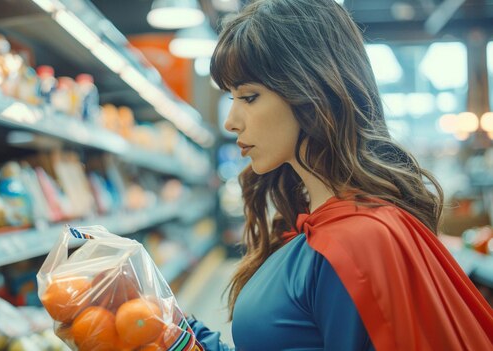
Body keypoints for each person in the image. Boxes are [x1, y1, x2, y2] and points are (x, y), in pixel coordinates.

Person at [187, 0, 493, 350]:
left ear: (311, 90)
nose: (230, 121)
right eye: (230, 97)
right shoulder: (322, 228)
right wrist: (179, 334)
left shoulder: (354, 241)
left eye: (249, 97)